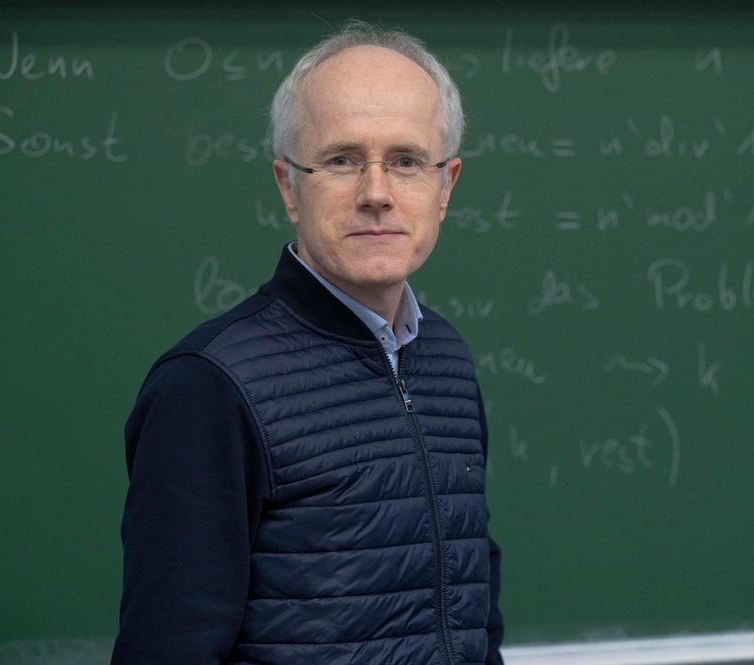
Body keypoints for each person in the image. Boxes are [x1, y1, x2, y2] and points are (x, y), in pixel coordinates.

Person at [111, 21, 504, 665]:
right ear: (288, 187)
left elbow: (476, 614)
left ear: (446, 187)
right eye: (342, 160)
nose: (376, 194)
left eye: (407, 161)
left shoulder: (447, 360)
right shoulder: (209, 386)